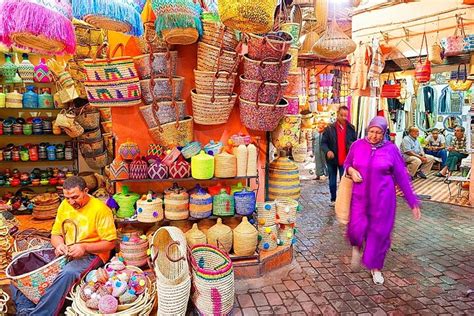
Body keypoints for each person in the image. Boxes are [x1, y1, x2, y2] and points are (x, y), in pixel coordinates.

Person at [11, 176, 117, 315]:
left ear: (85, 191)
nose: (71, 202)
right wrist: (59, 245)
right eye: (67, 198)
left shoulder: (101, 209)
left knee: (69, 272)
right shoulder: (64, 205)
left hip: (94, 254)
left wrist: (84, 247)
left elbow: (110, 243)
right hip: (68, 251)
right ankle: (25, 309)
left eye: (75, 197)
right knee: (24, 266)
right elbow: (56, 234)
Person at [345, 116, 421, 285]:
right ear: (367, 130)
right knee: (356, 228)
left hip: (383, 200)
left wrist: (413, 202)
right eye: (371, 131)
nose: (374, 136)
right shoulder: (357, 145)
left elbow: (402, 177)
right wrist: (351, 170)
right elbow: (347, 163)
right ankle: (356, 246)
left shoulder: (391, 149)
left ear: (384, 132)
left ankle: (375, 268)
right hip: (360, 197)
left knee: (379, 234)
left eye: (378, 133)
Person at [321, 106, 357, 205]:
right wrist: (328, 151)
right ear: (337, 114)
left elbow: (355, 143)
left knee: (344, 181)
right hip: (332, 159)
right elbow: (323, 143)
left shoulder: (351, 128)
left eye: (345, 116)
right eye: (341, 115)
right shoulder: (329, 128)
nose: (343, 118)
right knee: (332, 181)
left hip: (345, 159)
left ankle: (343, 199)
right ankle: (333, 199)